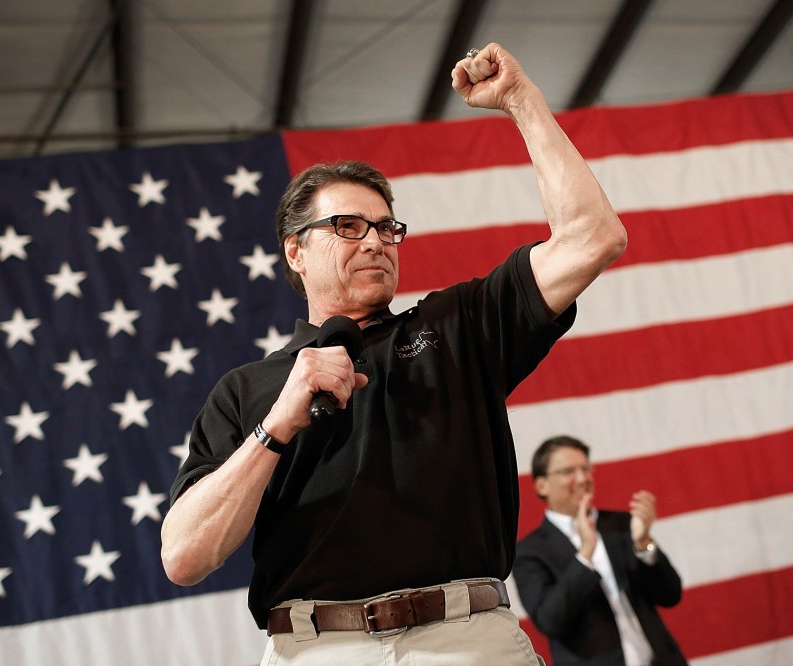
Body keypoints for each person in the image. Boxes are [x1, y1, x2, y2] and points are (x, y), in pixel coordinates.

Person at [161, 42, 627, 665]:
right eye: (348, 226)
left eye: (386, 228)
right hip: (317, 651)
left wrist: (521, 100)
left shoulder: (458, 326)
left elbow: (593, 237)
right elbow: (184, 558)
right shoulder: (246, 391)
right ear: (295, 251)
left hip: (465, 642)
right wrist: (276, 426)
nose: (376, 241)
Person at [513, 435, 688, 665]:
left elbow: (670, 595)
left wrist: (644, 544)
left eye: (586, 469)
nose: (582, 479)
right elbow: (551, 621)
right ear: (541, 485)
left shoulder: (622, 525)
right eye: (568, 471)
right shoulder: (529, 552)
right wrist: (585, 554)